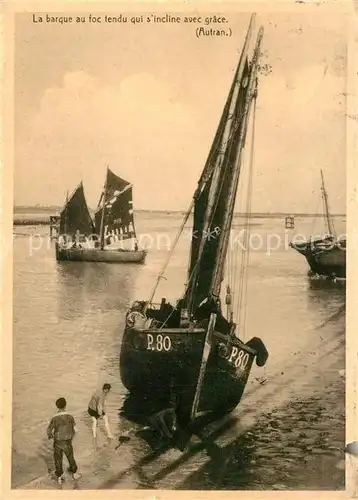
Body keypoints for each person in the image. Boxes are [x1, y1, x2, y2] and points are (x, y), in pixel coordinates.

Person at [46, 397, 80, 485]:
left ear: (57, 406)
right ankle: (75, 473)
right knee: (70, 457)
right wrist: (71, 437)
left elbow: (49, 430)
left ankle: (59, 477)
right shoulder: (70, 416)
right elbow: (76, 429)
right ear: (65, 405)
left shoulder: (54, 417)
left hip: (57, 441)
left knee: (58, 459)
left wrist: (51, 436)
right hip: (67, 441)